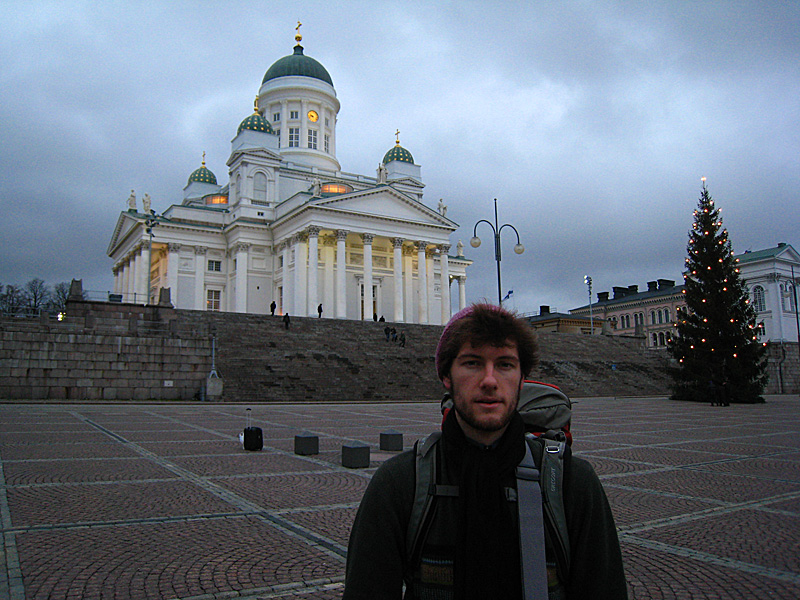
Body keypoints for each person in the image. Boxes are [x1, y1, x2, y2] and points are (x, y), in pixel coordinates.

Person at [343, 303, 627, 600]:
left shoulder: (571, 483)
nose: (490, 381)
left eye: (505, 364)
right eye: (472, 363)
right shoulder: (400, 485)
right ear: (446, 376)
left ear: (522, 377)